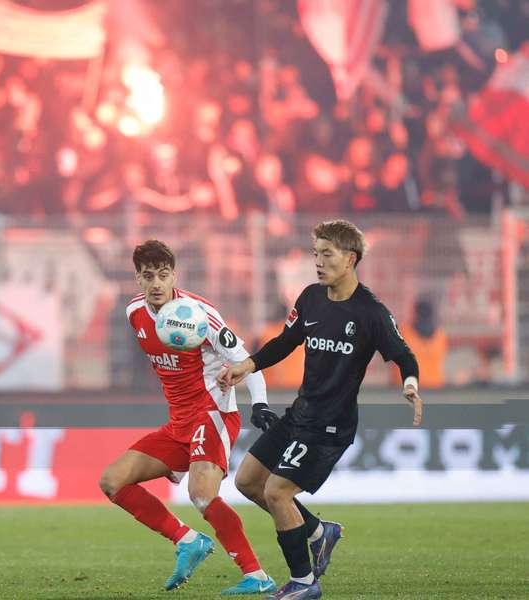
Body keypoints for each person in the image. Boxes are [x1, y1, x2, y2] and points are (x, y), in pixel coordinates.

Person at [218, 220, 423, 599]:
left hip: (330, 424)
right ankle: (317, 531)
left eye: (326, 253)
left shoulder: (371, 312)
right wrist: (248, 365)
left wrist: (409, 383)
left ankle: (303, 583)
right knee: (247, 481)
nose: (318, 261)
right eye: (315, 253)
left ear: (350, 259)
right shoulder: (310, 297)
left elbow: (403, 353)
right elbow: (286, 342)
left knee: (277, 492)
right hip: (300, 413)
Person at [99, 239, 278, 595]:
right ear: (138, 279)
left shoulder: (200, 315)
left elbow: (247, 361)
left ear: (173, 276)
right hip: (179, 422)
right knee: (113, 481)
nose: (156, 284)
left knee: (201, 493)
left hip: (212, 413)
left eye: (163, 275)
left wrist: (260, 404)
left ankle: (256, 575)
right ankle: (187, 541)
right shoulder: (133, 312)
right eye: (148, 276)